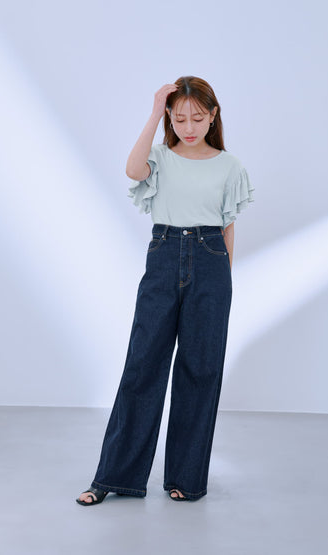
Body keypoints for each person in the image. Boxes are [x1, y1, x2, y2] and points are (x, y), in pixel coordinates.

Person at [76, 75, 254, 505]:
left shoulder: (229, 166)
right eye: (179, 118)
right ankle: (114, 478)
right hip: (164, 254)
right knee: (143, 366)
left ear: (213, 116)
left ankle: (186, 479)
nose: (189, 127)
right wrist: (156, 109)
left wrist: (224, 282)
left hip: (211, 260)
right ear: (170, 119)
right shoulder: (158, 157)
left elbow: (228, 227)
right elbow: (132, 170)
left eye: (198, 117)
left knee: (200, 371)